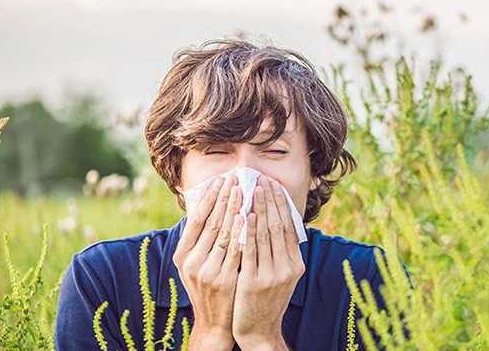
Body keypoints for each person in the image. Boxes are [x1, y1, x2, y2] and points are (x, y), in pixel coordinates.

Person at [54, 38, 411, 350]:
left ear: (314, 170)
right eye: (217, 151)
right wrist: (210, 334)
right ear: (177, 171)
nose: (246, 177)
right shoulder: (104, 281)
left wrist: (263, 339)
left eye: (274, 151)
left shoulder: (368, 281)